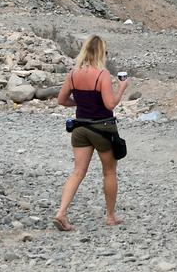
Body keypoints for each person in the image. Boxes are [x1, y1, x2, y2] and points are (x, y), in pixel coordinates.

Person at [53, 35, 128, 231]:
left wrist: (81, 102)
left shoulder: (73, 73)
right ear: (102, 52)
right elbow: (110, 104)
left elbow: (62, 100)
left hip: (80, 128)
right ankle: (111, 216)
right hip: (102, 128)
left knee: (78, 172)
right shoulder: (101, 74)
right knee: (109, 172)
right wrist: (121, 89)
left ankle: (61, 212)